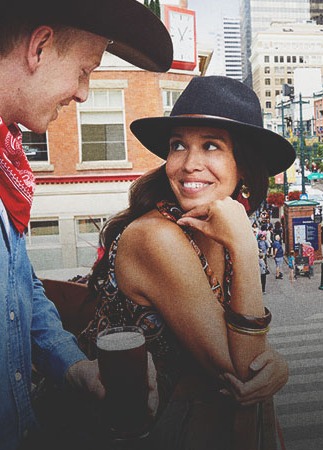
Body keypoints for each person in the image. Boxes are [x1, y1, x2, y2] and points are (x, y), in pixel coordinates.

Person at [0, 0, 174, 448]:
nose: (84, 92)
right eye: (85, 70)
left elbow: (15, 280)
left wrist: (71, 365)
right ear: (40, 46)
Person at [79, 76, 294, 441]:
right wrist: (244, 244)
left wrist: (278, 367)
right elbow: (242, 371)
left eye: (211, 146)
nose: (189, 163)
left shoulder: (215, 226)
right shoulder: (156, 238)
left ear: (242, 165)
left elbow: (245, 354)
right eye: (179, 145)